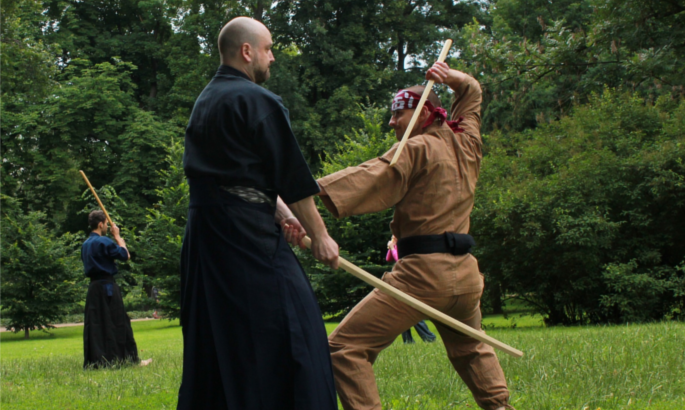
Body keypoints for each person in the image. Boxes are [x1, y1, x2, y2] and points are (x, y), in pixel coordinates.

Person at [317, 62, 513, 410]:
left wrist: (303, 191)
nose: (392, 122)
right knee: (471, 349)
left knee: (344, 349)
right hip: (466, 278)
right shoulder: (468, 142)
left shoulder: (415, 149)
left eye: (399, 115)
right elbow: (472, 91)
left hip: (423, 277)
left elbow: (373, 175)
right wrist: (452, 78)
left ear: (424, 113)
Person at [178, 16, 339, 410]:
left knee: (218, 338)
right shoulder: (259, 101)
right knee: (293, 329)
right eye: (268, 50)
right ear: (247, 52)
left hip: (206, 238)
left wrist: (283, 215)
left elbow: (240, 174)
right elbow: (291, 175)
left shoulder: (205, 101)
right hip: (244, 240)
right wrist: (320, 236)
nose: (272, 59)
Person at [82, 210, 151, 369]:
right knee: (118, 322)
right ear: (101, 224)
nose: (107, 226)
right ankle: (129, 360)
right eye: (106, 223)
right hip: (107, 287)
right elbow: (125, 255)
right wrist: (118, 237)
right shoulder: (103, 242)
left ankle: (98, 361)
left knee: (97, 324)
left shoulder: (85, 245)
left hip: (93, 289)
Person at [386, 236, 436, 344]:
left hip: (409, 282)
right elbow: (388, 259)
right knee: (401, 312)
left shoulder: (407, 245)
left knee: (410, 310)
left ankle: (429, 337)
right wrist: (392, 247)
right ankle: (408, 341)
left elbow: (400, 260)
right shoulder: (398, 246)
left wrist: (393, 248)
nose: (393, 237)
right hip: (400, 282)